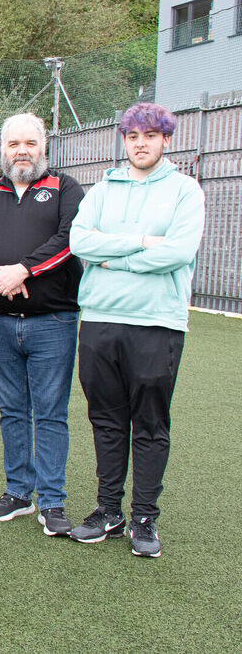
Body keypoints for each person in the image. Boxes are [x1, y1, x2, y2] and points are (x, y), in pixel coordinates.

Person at [68, 102, 205, 558]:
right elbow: (80, 241)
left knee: (149, 423)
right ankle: (109, 510)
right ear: (124, 141)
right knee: (106, 420)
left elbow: (178, 252)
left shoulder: (185, 190)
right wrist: (142, 243)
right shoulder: (103, 189)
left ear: (166, 140)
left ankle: (144, 517)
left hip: (156, 322)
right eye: (132, 136)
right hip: (100, 319)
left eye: (149, 135)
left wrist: (112, 259)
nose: (140, 144)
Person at [0, 112, 84, 536]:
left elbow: (69, 239)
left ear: (44, 146)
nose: (22, 151)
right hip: (0, 322)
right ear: (3, 149)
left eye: (30, 143)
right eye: (14, 144)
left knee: (50, 413)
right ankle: (18, 493)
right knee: (12, 411)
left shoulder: (65, 187)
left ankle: (51, 500)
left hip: (53, 321)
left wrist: (23, 271)